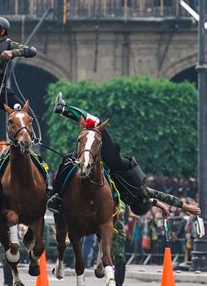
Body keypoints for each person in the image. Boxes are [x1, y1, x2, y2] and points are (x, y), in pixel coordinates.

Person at [46, 92, 201, 217]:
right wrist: (160, 205)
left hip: (113, 161)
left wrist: (186, 207)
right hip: (106, 166)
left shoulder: (141, 191)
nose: (149, 197)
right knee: (72, 157)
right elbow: (154, 199)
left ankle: (63, 109)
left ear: (144, 200)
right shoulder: (131, 198)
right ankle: (57, 196)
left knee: (95, 122)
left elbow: (163, 196)